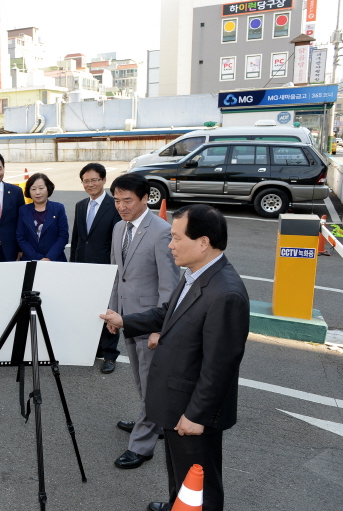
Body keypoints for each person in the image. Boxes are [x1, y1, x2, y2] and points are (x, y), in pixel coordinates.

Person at [101, 204, 249, 511]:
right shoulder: (197, 273)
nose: (170, 245)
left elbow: (220, 366)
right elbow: (168, 313)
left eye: (177, 238)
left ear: (203, 242)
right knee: (180, 471)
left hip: (193, 409)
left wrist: (197, 415)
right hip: (176, 400)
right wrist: (125, 320)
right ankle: (175, 504)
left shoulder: (226, 293)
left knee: (200, 481)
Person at [107, 172, 180, 469]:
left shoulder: (162, 231)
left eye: (128, 200)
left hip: (149, 321)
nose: (122, 206)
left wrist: (160, 328)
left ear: (144, 199)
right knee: (140, 378)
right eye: (117, 200)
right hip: (127, 318)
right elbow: (116, 275)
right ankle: (155, 419)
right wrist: (114, 313)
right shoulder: (117, 228)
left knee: (151, 383)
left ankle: (142, 444)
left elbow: (169, 285)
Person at [69, 163, 122, 374]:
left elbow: (117, 241)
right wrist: (73, 266)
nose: (90, 184)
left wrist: (116, 268)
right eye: (86, 181)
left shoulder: (114, 205)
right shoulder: (81, 205)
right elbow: (78, 238)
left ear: (104, 180)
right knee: (88, 310)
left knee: (108, 311)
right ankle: (92, 349)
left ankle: (110, 355)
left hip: (106, 267)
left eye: (94, 180)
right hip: (83, 267)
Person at [16, 173, 69, 262]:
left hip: (55, 260)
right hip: (31, 260)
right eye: (33, 189)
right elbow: (21, 237)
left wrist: (49, 258)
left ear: (48, 188)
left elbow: (63, 237)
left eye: (41, 188)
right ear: (29, 191)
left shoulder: (58, 208)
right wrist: (37, 258)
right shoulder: (23, 210)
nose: (37, 192)